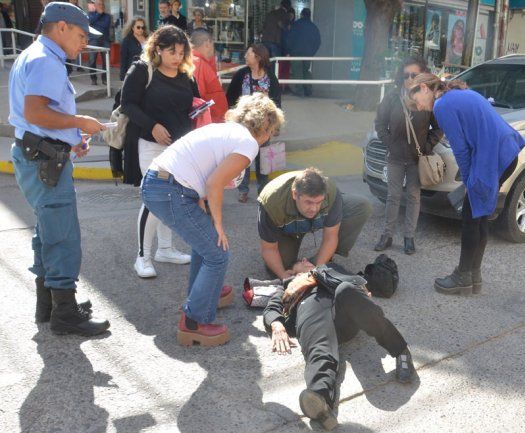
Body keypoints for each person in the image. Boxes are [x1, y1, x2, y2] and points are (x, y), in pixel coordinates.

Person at [142, 93, 285, 346]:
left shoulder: (227, 130)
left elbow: (200, 176)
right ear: (264, 126)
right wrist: (218, 224)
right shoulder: (248, 143)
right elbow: (215, 182)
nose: (268, 138)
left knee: (207, 245)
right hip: (170, 189)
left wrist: (209, 219)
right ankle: (194, 321)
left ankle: (205, 294)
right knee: (218, 252)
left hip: (162, 183)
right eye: (271, 132)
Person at [8, 1, 110, 336]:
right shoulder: (45, 61)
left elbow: (41, 117)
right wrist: (80, 121)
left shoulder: (37, 55)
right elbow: (37, 113)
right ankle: (64, 313)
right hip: (43, 160)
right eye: (82, 35)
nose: (85, 43)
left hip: (39, 154)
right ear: (61, 27)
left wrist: (70, 136)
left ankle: (48, 307)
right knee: (62, 235)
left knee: (48, 230)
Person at [408, 73, 525, 295]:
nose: (420, 107)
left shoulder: (442, 106)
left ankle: (463, 277)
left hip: (493, 156)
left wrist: (471, 182)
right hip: (504, 152)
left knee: (471, 219)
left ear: (424, 88)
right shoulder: (455, 94)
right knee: (478, 216)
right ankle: (473, 275)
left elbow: (461, 149)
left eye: (417, 101)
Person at [263, 268, 415, 429]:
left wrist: (360, 295)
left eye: (306, 261)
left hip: (343, 313)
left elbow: (357, 282)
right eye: (298, 263)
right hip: (308, 310)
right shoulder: (287, 285)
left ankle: (401, 351)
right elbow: (271, 308)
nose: (304, 260)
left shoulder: (328, 269)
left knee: (346, 289)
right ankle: (320, 400)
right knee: (320, 347)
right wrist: (277, 325)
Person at [121, 25, 199, 278]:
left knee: (169, 199)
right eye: (172, 51)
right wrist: (152, 125)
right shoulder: (142, 71)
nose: (177, 57)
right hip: (150, 146)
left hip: (179, 148)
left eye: (181, 52)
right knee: (155, 199)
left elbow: (194, 106)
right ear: (157, 49)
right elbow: (127, 105)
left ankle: (165, 249)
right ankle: (142, 256)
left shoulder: (187, 76)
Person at [374, 57, 443, 255]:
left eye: (414, 75)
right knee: (393, 196)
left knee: (413, 197)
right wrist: (390, 143)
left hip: (416, 158)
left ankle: (409, 238)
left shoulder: (427, 98)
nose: (409, 78)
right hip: (395, 156)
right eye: (405, 75)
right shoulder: (392, 97)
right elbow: (379, 123)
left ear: (422, 76)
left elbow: (439, 128)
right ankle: (387, 236)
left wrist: (426, 146)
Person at [257, 168, 373, 280]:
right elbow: (269, 249)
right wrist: (284, 276)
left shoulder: (330, 192)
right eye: (309, 202)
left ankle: (321, 260)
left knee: (361, 206)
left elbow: (331, 237)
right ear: (294, 194)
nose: (314, 209)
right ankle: (297, 264)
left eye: (319, 202)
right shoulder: (271, 203)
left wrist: (315, 271)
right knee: (276, 270)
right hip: (287, 230)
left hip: (315, 220)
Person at [226, 43, 281, 202]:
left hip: (264, 126)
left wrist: (275, 125)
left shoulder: (270, 77)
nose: (245, 56)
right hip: (244, 126)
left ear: (257, 57)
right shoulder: (241, 75)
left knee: (264, 159)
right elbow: (230, 97)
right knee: (243, 158)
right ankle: (243, 191)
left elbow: (277, 101)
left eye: (248, 54)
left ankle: (263, 190)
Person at [190, 29, 227, 123]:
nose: (213, 50)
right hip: (206, 122)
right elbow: (198, 98)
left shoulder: (192, 61)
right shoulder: (198, 63)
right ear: (208, 44)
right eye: (213, 45)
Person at [284, 8, 320, 97]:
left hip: (296, 53)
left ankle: (300, 91)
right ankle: (308, 90)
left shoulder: (296, 25)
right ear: (309, 15)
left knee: (297, 72)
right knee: (306, 71)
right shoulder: (313, 27)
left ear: (301, 14)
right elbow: (318, 42)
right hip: (308, 54)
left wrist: (288, 51)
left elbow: (289, 39)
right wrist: (312, 52)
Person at [87, 0, 111, 85]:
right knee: (92, 60)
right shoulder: (90, 15)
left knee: (106, 61)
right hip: (93, 40)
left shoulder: (108, 16)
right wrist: (99, 14)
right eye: (99, 4)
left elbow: (105, 25)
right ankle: (93, 79)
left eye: (102, 4)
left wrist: (96, 22)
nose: (101, 6)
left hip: (105, 40)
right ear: (95, 6)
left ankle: (104, 79)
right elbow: (89, 22)